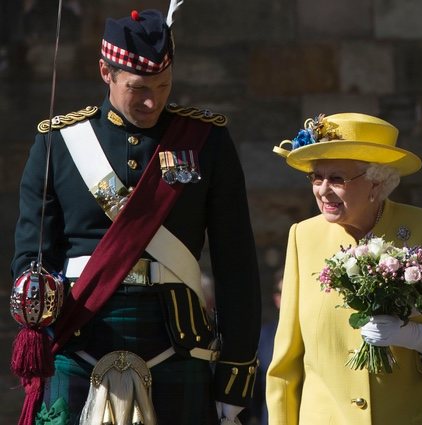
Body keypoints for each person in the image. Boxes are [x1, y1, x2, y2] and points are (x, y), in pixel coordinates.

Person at [10, 7, 261, 425]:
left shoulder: (205, 140)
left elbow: (236, 265)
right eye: (138, 88)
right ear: (105, 72)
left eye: (163, 86)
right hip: (81, 334)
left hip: (178, 341)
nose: (152, 101)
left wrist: (234, 377)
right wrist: (35, 296)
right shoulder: (59, 142)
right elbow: (30, 255)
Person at [266, 112, 422, 425]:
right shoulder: (303, 237)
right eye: (317, 177)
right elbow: (285, 364)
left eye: (337, 179)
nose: (323, 190)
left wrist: (417, 337)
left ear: (377, 182)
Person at [243, 270, 284, 425]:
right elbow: (255, 391)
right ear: (276, 298)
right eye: (282, 292)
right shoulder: (263, 337)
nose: (287, 297)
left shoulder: (313, 335)